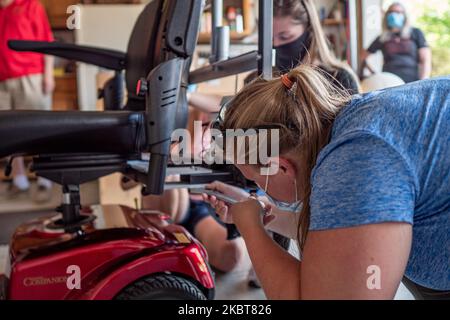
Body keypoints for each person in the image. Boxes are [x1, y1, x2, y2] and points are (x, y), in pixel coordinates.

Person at [203, 64, 450, 299]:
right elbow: (345, 229)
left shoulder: (357, 159)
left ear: (279, 166)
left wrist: (252, 230)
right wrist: (268, 215)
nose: (260, 190)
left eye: (257, 181)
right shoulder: (354, 123)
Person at [188, 0, 360, 114]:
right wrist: (186, 95)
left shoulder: (339, 80)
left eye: (285, 37)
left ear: (309, 32)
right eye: (270, 39)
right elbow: (235, 108)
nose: (277, 45)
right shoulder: (257, 79)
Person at [0, 0, 55, 202]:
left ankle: (44, 181)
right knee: (7, 134)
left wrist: (48, 75)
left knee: (38, 131)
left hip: (30, 77)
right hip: (2, 81)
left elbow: (46, 41)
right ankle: (19, 181)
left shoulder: (31, 5)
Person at [361, 2, 432, 83]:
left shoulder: (416, 33)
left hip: (412, 81)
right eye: (391, 12)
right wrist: (374, 74)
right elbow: (363, 56)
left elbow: (425, 59)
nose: (394, 15)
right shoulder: (382, 38)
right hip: (389, 82)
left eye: (398, 12)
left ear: (404, 16)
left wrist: (424, 79)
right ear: (386, 16)